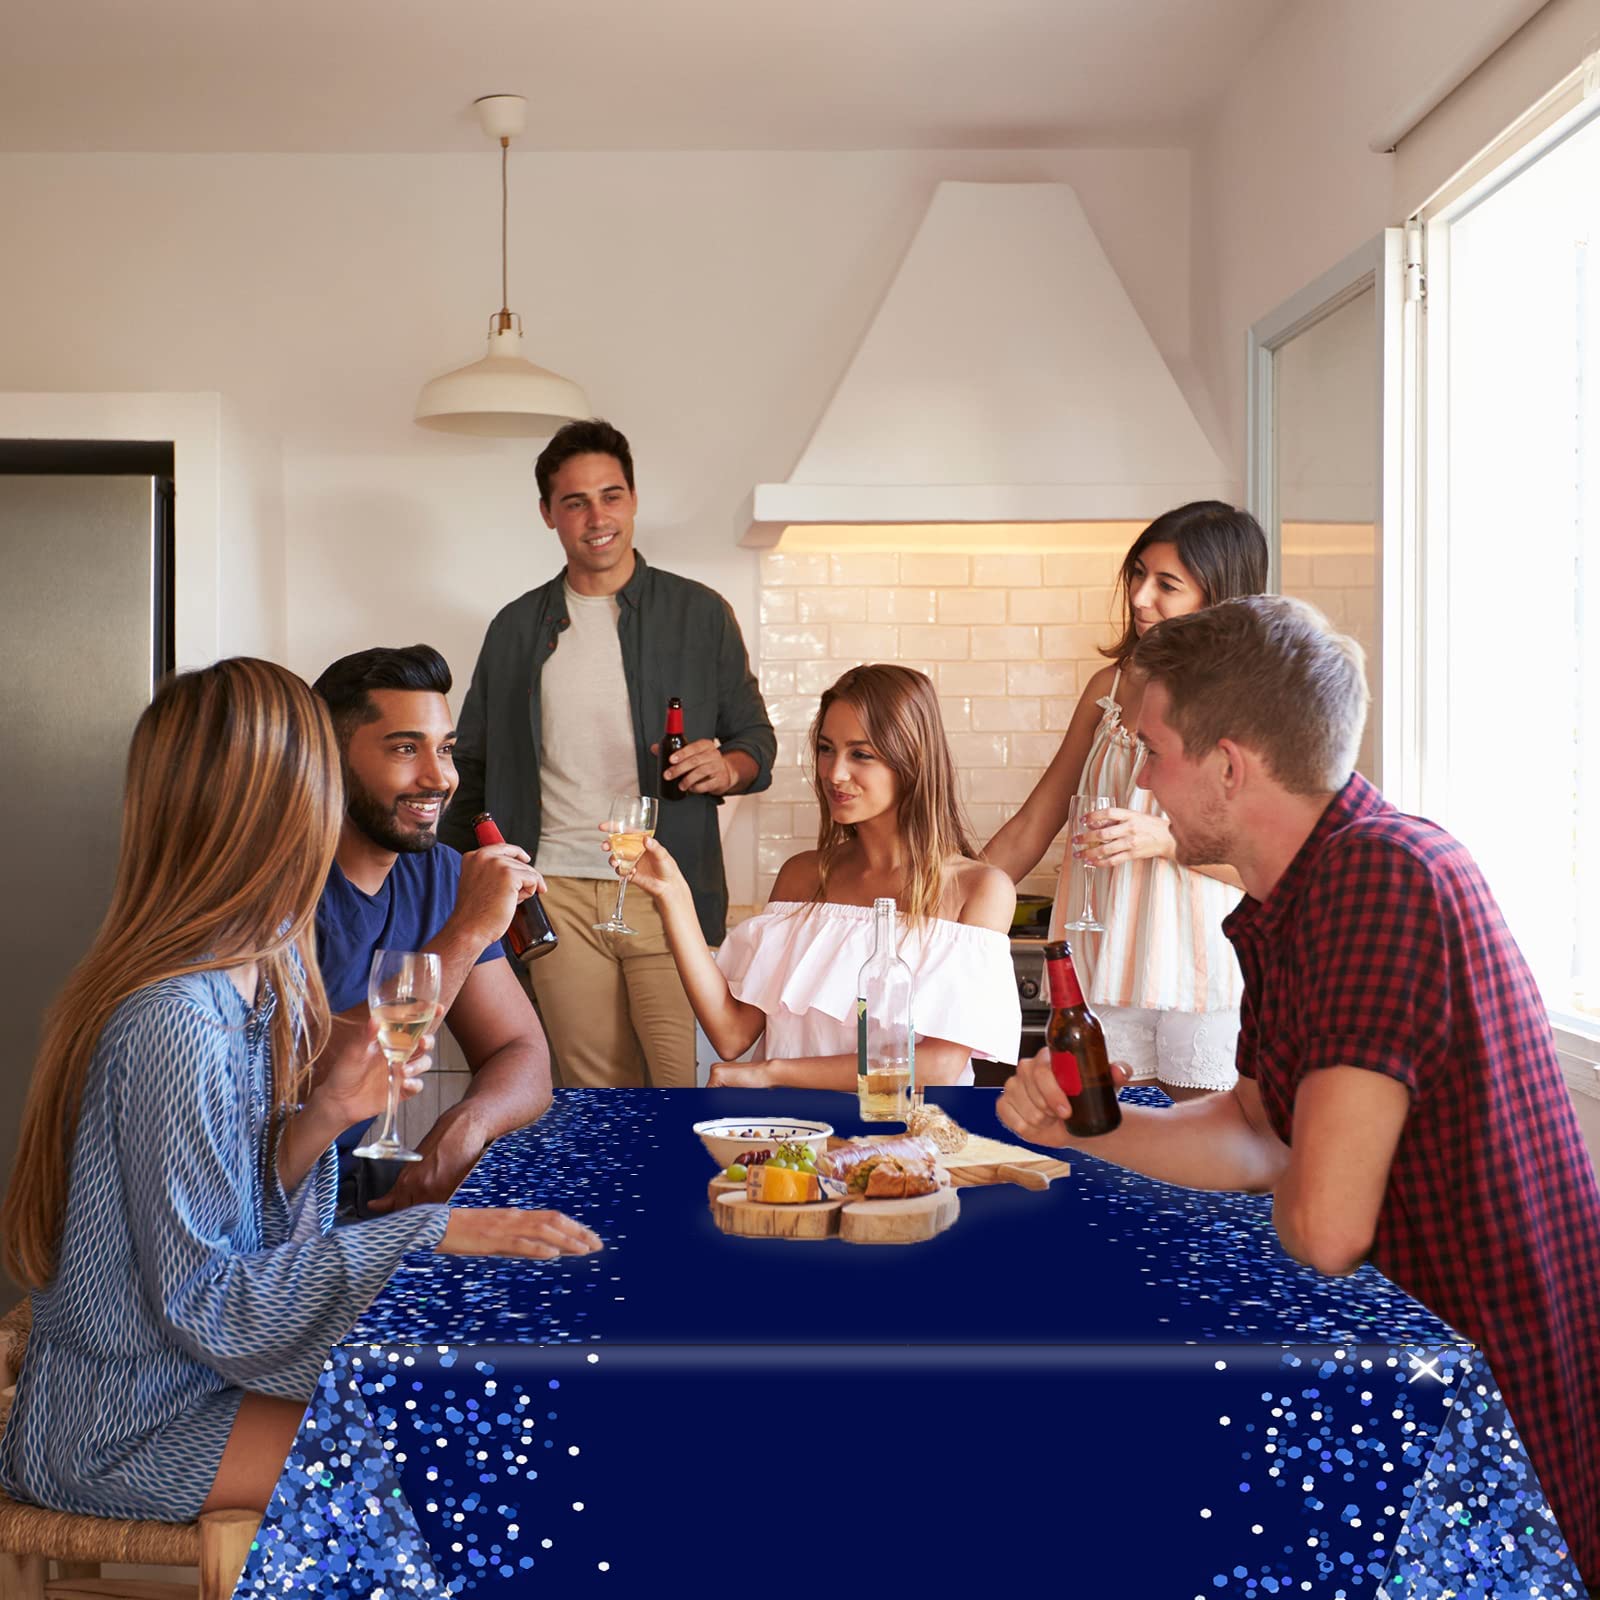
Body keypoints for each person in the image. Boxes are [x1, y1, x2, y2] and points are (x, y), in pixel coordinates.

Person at [996, 596, 1600, 1585]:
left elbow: (1324, 1226)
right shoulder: (1313, 889)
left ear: (1228, 765)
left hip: (1484, 1409)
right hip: (1428, 1373)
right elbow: (1252, 1129)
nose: (1143, 781)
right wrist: (1082, 1123)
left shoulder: (1381, 880)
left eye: (1154, 752)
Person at [0, 659, 600, 1570]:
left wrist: (320, 1118)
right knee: (458, 1472)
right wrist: (432, 1231)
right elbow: (209, 1301)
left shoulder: (264, 970)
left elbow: (236, 1222)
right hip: (128, 1420)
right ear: (277, 805)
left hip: (196, 1375)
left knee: (471, 1433)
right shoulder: (176, 1019)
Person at [440, 418, 776, 1091]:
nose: (598, 516)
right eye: (575, 501)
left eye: (611, 495)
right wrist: (450, 891)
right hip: (556, 891)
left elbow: (755, 743)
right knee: (593, 1098)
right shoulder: (514, 629)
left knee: (675, 1086)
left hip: (662, 888)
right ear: (548, 515)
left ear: (633, 499)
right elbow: (468, 769)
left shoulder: (699, 613)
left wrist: (728, 767)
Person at [615, 664, 1020, 1089]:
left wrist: (774, 1073)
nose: (834, 773)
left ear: (911, 759)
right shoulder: (803, 875)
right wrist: (673, 896)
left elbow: (939, 1064)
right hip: (788, 1143)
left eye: (860, 754)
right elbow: (731, 1034)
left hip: (898, 1145)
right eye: (827, 749)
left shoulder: (978, 889)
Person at [985, 502, 1268, 1100]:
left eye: (1167, 585)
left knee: (1208, 1157)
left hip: (1199, 965)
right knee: (1107, 1147)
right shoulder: (1109, 688)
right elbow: (1035, 823)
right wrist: (944, 910)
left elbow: (1270, 865)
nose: (1140, 597)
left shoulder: (1251, 705)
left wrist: (1164, 841)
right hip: (1103, 959)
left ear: (1218, 596)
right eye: (1138, 575)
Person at [312, 644, 555, 1215]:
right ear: (330, 757)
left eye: (446, 750)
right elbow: (329, 1072)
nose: (440, 778)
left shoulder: (444, 872)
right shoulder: (282, 886)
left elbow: (522, 1052)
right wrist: (467, 931)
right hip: (266, 1212)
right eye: (404, 748)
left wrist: (465, 1126)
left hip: (360, 1191)